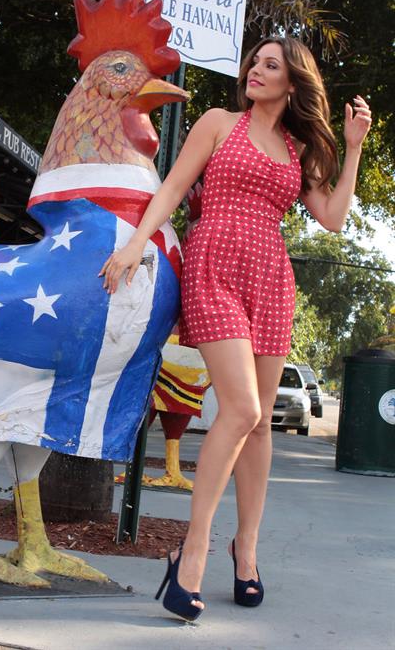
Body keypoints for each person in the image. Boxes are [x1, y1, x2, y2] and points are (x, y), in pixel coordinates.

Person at [99, 36, 372, 621]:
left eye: (271, 65)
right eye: (255, 61)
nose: (256, 69)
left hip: (271, 277)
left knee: (261, 425)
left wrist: (351, 150)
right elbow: (173, 187)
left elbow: (332, 217)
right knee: (241, 411)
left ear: (293, 82)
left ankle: (244, 549)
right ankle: (190, 552)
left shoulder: (299, 148)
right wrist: (134, 245)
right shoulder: (220, 122)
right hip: (215, 263)